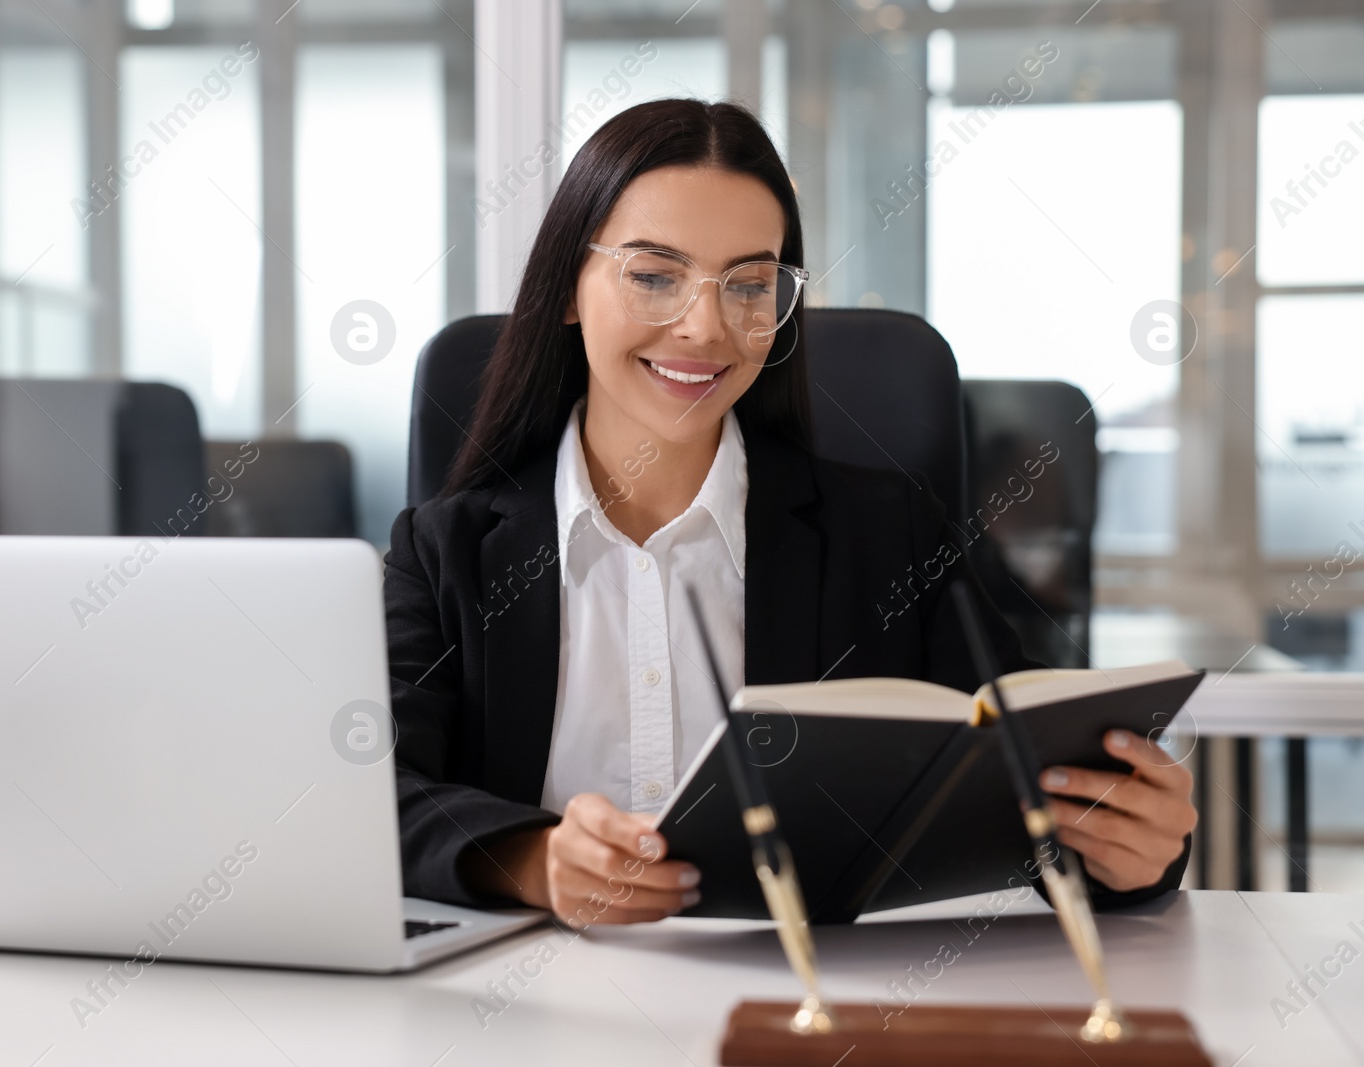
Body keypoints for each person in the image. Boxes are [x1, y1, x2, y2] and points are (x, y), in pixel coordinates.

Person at [384, 98, 1196, 927]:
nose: (705, 327)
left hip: (818, 1017)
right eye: (655, 275)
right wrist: (531, 857)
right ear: (567, 288)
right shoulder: (442, 553)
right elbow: (372, 795)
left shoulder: (890, 538)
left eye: (748, 283)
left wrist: (1133, 851)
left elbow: (1030, 790)